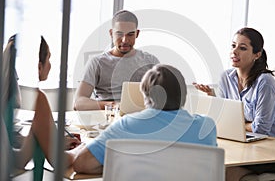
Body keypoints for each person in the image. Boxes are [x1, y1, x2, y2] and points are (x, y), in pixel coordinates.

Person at [71, 64, 217, 174]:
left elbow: (81, 164)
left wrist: (125, 166)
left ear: (146, 94)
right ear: (183, 94)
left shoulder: (126, 125)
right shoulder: (207, 126)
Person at [193, 27, 275, 180]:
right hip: (245, 142)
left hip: (274, 147)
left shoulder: (265, 82)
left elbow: (261, 128)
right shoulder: (226, 77)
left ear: (257, 55)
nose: (235, 51)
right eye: (233, 46)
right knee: (204, 163)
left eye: (242, 48)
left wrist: (236, 125)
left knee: (223, 170)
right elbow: (224, 119)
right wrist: (213, 98)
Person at [0, 35, 81, 171]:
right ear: (38, 66)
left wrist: (46, 137)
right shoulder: (38, 98)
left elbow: (16, 159)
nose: (50, 65)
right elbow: (59, 161)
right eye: (49, 58)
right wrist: (84, 150)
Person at [74, 10, 160, 111]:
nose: (124, 40)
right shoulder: (97, 62)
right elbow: (78, 103)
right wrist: (113, 105)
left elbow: (163, 96)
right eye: (119, 34)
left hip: (142, 116)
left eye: (130, 34)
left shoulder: (151, 61)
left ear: (137, 34)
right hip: (109, 116)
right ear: (111, 33)